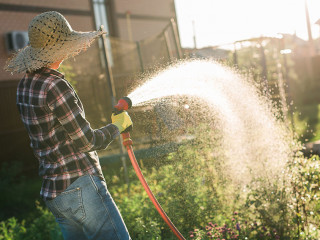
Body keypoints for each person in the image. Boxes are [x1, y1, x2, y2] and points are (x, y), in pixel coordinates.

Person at [5, 11, 132, 240]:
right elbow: (87, 141)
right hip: (80, 185)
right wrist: (118, 127)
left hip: (55, 194)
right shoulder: (55, 85)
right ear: (61, 47)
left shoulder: (25, 85)